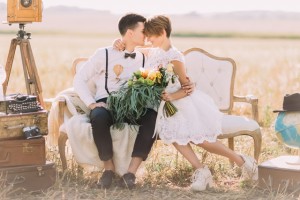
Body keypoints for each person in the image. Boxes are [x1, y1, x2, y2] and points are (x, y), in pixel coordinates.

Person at [116, 15, 258, 192]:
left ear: (162, 32)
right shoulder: (154, 50)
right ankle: (201, 171)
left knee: (202, 141)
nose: (148, 39)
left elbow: (186, 88)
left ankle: (242, 161)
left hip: (181, 103)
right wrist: (118, 42)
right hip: (165, 107)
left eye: (151, 35)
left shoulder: (175, 56)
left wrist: (171, 96)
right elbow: (135, 47)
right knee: (176, 136)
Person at [73, 13, 194, 190]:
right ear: (130, 33)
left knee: (152, 116)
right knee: (98, 116)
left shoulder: (146, 56)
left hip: (132, 105)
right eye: (143, 31)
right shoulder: (103, 54)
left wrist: (187, 83)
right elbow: (79, 79)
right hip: (107, 103)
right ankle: (108, 170)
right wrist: (91, 104)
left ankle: (130, 173)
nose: (147, 35)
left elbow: (168, 55)